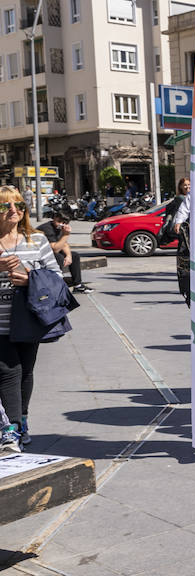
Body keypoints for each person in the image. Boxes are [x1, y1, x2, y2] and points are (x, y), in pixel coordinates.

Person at [0, 185, 61, 450]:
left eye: (18, 205)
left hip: (28, 319)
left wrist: (29, 280)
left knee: (26, 371)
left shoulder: (36, 240)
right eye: (5, 206)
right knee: (8, 370)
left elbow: (57, 277)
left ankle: (22, 420)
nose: (13, 210)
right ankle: (10, 429)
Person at [36, 211, 88, 293]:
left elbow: (64, 244)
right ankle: (56, 284)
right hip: (38, 254)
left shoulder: (59, 228)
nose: (61, 224)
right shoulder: (47, 228)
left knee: (74, 255)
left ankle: (77, 285)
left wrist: (68, 256)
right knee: (58, 257)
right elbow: (55, 249)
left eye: (64, 222)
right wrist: (66, 235)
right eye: (59, 221)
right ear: (54, 218)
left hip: (50, 252)